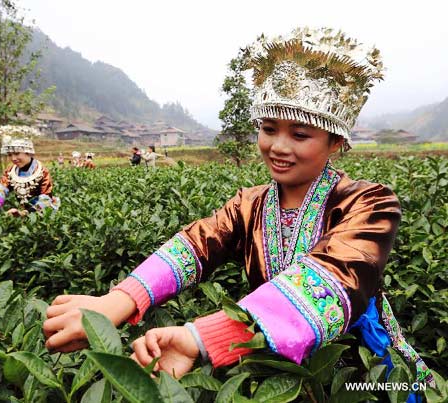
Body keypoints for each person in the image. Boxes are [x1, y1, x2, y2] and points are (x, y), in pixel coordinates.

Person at [42, 28, 434, 395]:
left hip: (367, 375)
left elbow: (334, 279)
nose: (278, 146)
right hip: (272, 369)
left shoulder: (370, 203)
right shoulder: (249, 204)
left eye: (300, 134)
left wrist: (202, 337)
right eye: (268, 128)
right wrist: (116, 302)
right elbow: (194, 247)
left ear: (335, 143)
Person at [0, 125, 60, 223]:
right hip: (23, 212)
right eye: (10, 155)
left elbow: (46, 199)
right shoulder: (10, 171)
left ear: (28, 152)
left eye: (17, 153)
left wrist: (25, 213)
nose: (13, 158)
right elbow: (1, 190)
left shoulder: (41, 171)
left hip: (45, 213)